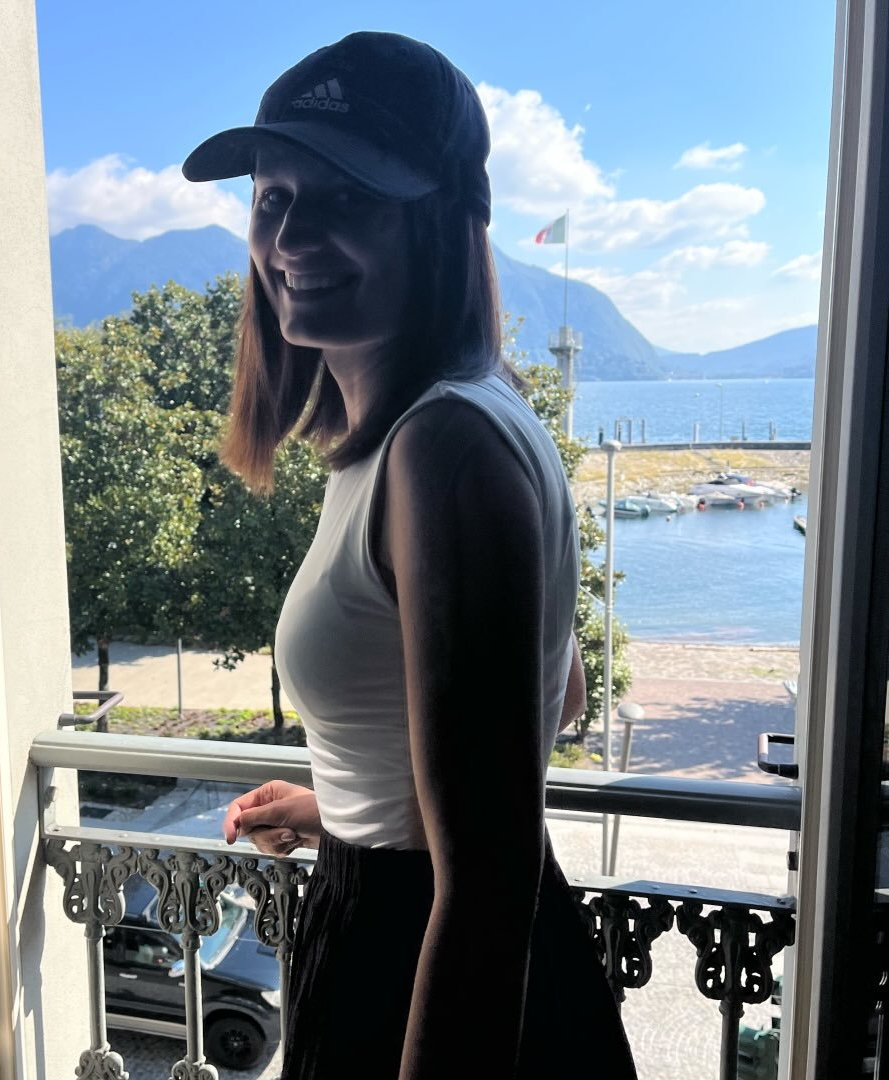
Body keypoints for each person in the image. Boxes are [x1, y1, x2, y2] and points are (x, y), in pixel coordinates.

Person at [183, 31, 637, 1080]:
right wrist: (347, 810)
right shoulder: (461, 417)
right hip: (397, 913)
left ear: (438, 220)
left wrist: (386, 849)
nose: (291, 236)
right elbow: (560, 690)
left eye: (346, 196)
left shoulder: (440, 450)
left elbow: (483, 890)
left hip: (422, 963)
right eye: (273, 197)